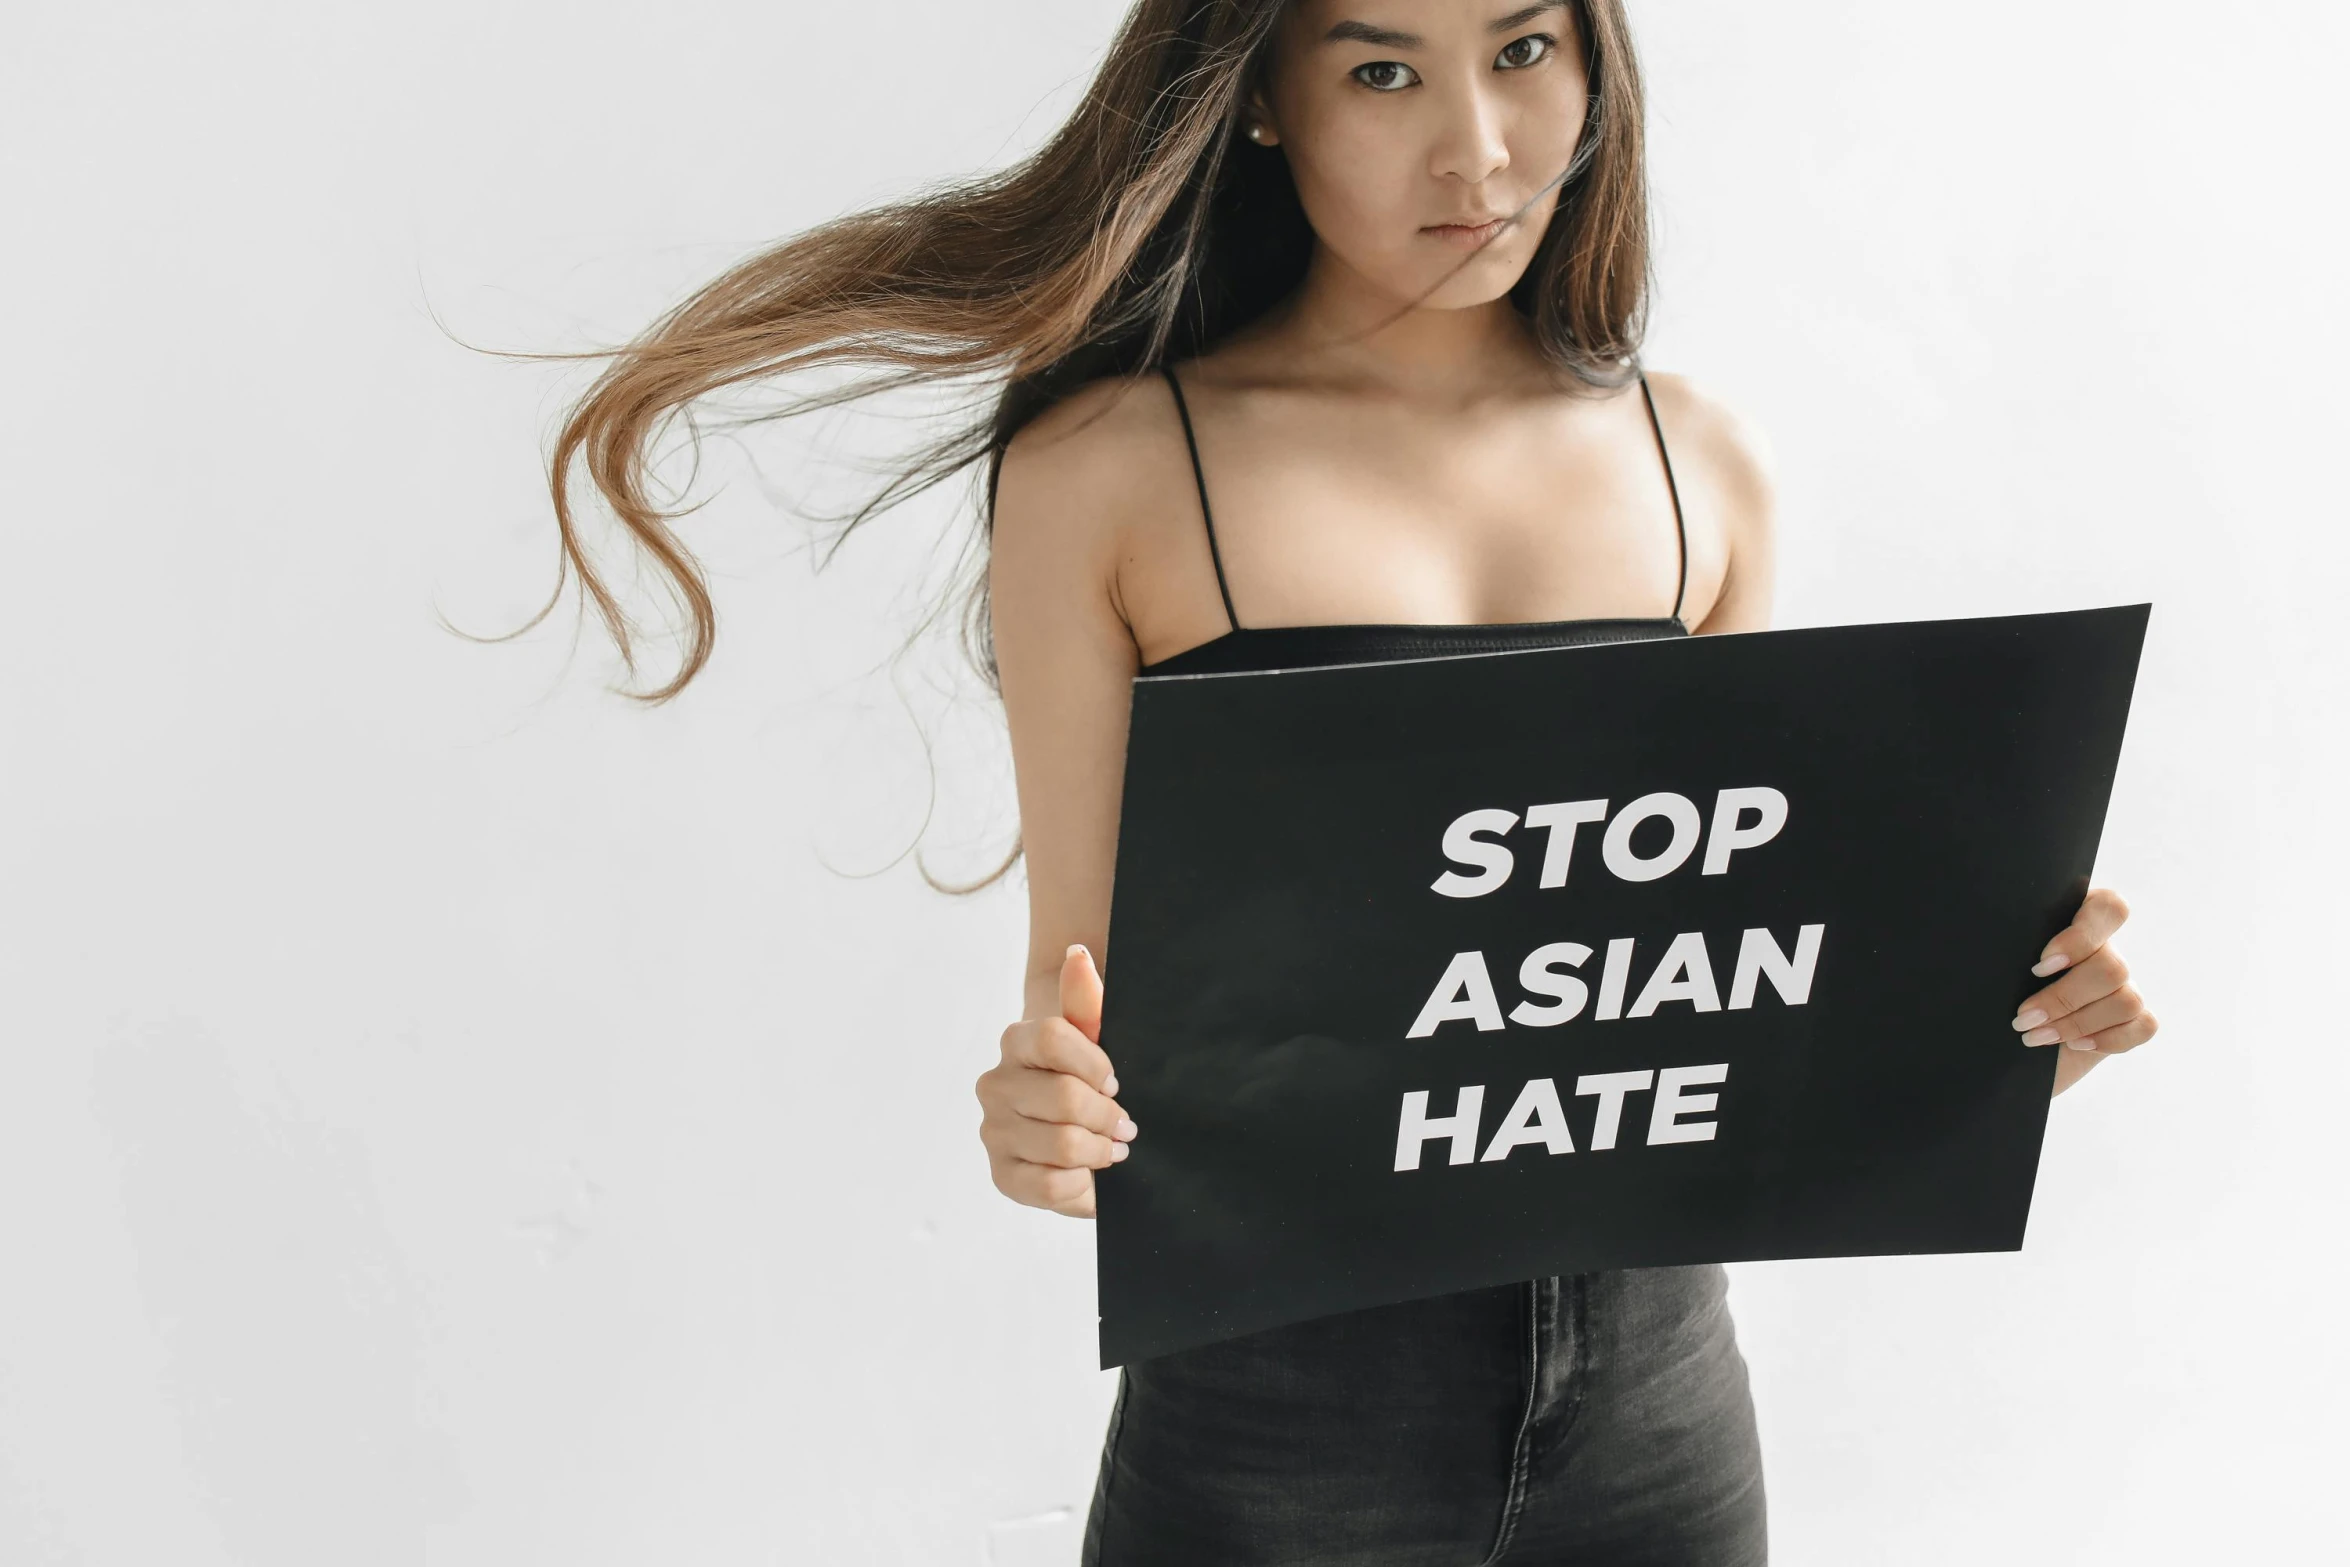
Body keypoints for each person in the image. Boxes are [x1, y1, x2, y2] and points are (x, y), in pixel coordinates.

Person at [531, 2, 2160, 1560]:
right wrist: (1046, 1119)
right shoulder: (1105, 473)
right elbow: (1092, 1019)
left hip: (1665, 1431)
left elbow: (1712, 997)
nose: (1479, 152)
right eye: (1382, 75)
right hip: (1268, 1443)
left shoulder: (1702, 464)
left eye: (1525, 51)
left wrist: (1991, 1031)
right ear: (1254, 95)